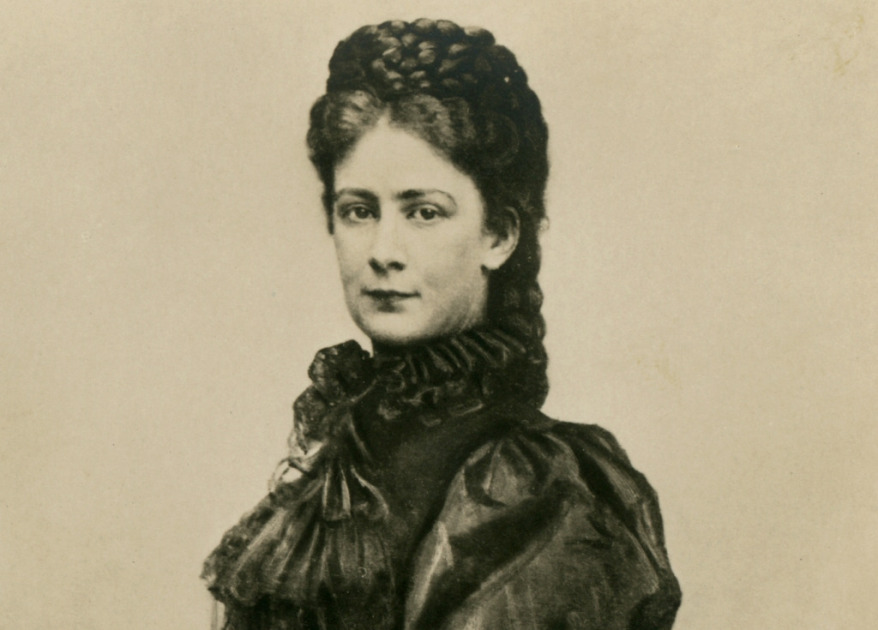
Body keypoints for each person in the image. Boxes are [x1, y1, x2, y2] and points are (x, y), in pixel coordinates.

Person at [202, 18, 681, 630]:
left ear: (499, 235)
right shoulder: (334, 462)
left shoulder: (532, 489)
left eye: (424, 212)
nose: (384, 251)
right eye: (359, 211)